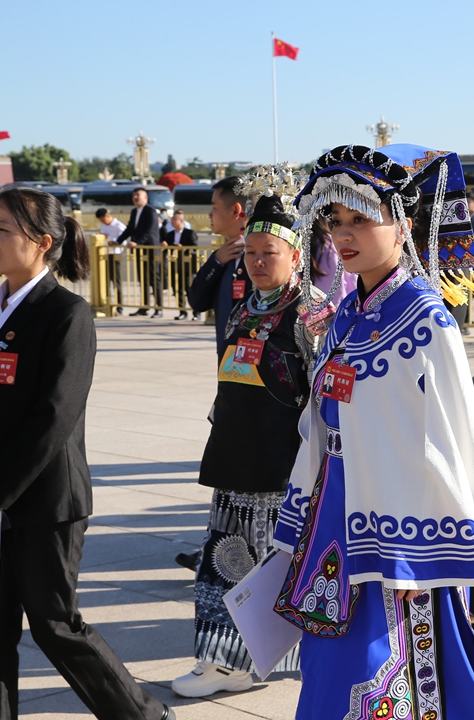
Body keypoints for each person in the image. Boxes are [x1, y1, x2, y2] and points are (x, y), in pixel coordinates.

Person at [273, 144, 474, 719]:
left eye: (361, 219)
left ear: (403, 225)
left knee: (380, 668)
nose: (343, 234)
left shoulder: (426, 319)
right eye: (335, 221)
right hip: (334, 514)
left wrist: (423, 554)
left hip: (398, 530)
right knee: (328, 665)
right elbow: (322, 421)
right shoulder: (345, 312)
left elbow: (451, 440)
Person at [0, 186, 174, 720]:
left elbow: (54, 417)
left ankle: (142, 714)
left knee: (54, 624)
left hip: (45, 500)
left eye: (4, 229)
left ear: (43, 242)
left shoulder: (66, 314)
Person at [171, 175, 325, 698]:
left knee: (261, 561)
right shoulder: (244, 305)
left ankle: (243, 662)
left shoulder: (311, 311)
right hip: (236, 453)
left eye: (270, 253)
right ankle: (220, 658)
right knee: (224, 559)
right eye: (252, 252)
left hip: (280, 464)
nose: (258, 262)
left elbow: (325, 393)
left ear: (295, 256)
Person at [188, 175, 254, 358]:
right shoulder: (222, 257)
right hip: (227, 364)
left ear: (235, 211)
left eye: (215, 207)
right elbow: (197, 301)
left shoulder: (262, 257)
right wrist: (216, 261)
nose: (210, 214)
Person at [115, 187, 162, 317]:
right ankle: (144, 307)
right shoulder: (135, 211)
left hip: (150, 250)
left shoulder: (150, 211)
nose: (135, 198)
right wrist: (118, 241)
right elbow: (130, 229)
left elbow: (149, 230)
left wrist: (138, 242)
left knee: (154, 279)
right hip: (139, 251)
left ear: (145, 198)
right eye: (134, 195)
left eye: (138, 195)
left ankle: (159, 308)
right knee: (143, 279)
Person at [308, 216, 357, 307]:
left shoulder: (304, 244)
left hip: (314, 310)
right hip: (337, 308)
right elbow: (338, 284)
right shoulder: (328, 243)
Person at [163, 209, 198, 320]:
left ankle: (195, 312)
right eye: (172, 219)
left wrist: (183, 248)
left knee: (189, 289)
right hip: (174, 265)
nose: (172, 221)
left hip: (186, 266)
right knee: (176, 288)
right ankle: (182, 311)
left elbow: (194, 247)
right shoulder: (169, 234)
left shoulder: (189, 233)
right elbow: (166, 250)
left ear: (182, 220)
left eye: (175, 219)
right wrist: (164, 247)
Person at [96, 208, 127, 315]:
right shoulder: (105, 226)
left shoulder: (119, 226)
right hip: (105, 254)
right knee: (106, 280)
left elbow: (124, 239)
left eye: (103, 220)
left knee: (116, 281)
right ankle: (107, 303)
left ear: (108, 216)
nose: (103, 222)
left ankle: (119, 306)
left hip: (116, 254)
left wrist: (109, 238)